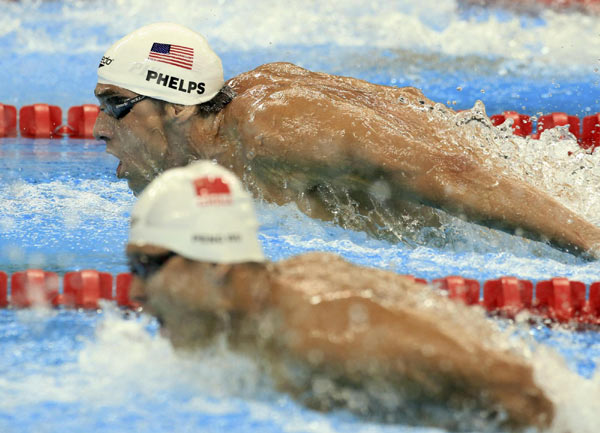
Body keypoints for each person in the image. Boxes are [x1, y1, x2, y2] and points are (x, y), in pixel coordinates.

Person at [93, 22, 600, 257]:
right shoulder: (246, 109)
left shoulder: (274, 129)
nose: (99, 129)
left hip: (555, 208)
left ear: (178, 105)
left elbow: (451, 171)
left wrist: (590, 242)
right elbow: (407, 101)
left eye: (115, 106)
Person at [126, 161, 554, 431]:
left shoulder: (325, 336)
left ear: (216, 262)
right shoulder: (275, 295)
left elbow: (515, 386)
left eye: (147, 267)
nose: (135, 291)